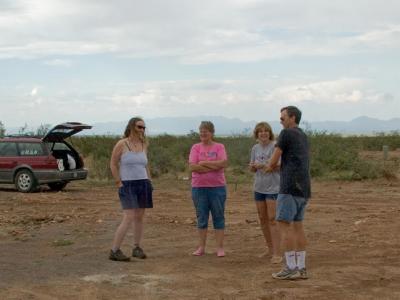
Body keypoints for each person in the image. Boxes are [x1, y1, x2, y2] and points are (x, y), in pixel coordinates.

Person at [266, 106, 311, 280]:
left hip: (289, 187)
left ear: (292, 118)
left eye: (283, 117)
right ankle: (301, 267)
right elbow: (293, 161)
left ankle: (290, 267)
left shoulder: (286, 134)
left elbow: (273, 161)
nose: (280, 120)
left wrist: (265, 166)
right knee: (298, 226)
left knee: (284, 226)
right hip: (304, 187)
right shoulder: (303, 135)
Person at [109, 117, 153, 261]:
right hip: (127, 184)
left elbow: (145, 165)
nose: (142, 130)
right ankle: (114, 250)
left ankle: (137, 247)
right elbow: (113, 164)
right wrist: (118, 182)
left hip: (143, 183)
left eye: (144, 128)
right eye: (139, 127)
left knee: (139, 217)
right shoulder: (122, 144)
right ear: (131, 127)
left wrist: (149, 180)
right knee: (128, 217)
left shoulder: (143, 144)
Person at [189, 121, 228, 257]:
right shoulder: (195, 148)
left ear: (212, 132)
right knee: (201, 218)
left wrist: (204, 163)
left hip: (217, 187)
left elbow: (223, 163)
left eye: (206, 131)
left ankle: (220, 248)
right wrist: (214, 166)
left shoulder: (219, 147)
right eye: (201, 131)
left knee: (219, 216)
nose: (203, 133)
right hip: (199, 188)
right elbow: (193, 166)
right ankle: (201, 247)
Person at [249, 122, 282, 264]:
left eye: (266, 131)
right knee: (262, 218)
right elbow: (252, 168)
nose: (263, 133)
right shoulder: (255, 148)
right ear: (256, 134)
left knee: (272, 219)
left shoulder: (275, 146)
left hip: (273, 187)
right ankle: (269, 249)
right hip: (259, 187)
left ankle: (277, 252)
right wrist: (253, 167)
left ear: (270, 133)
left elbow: (280, 165)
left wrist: (264, 165)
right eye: (260, 131)